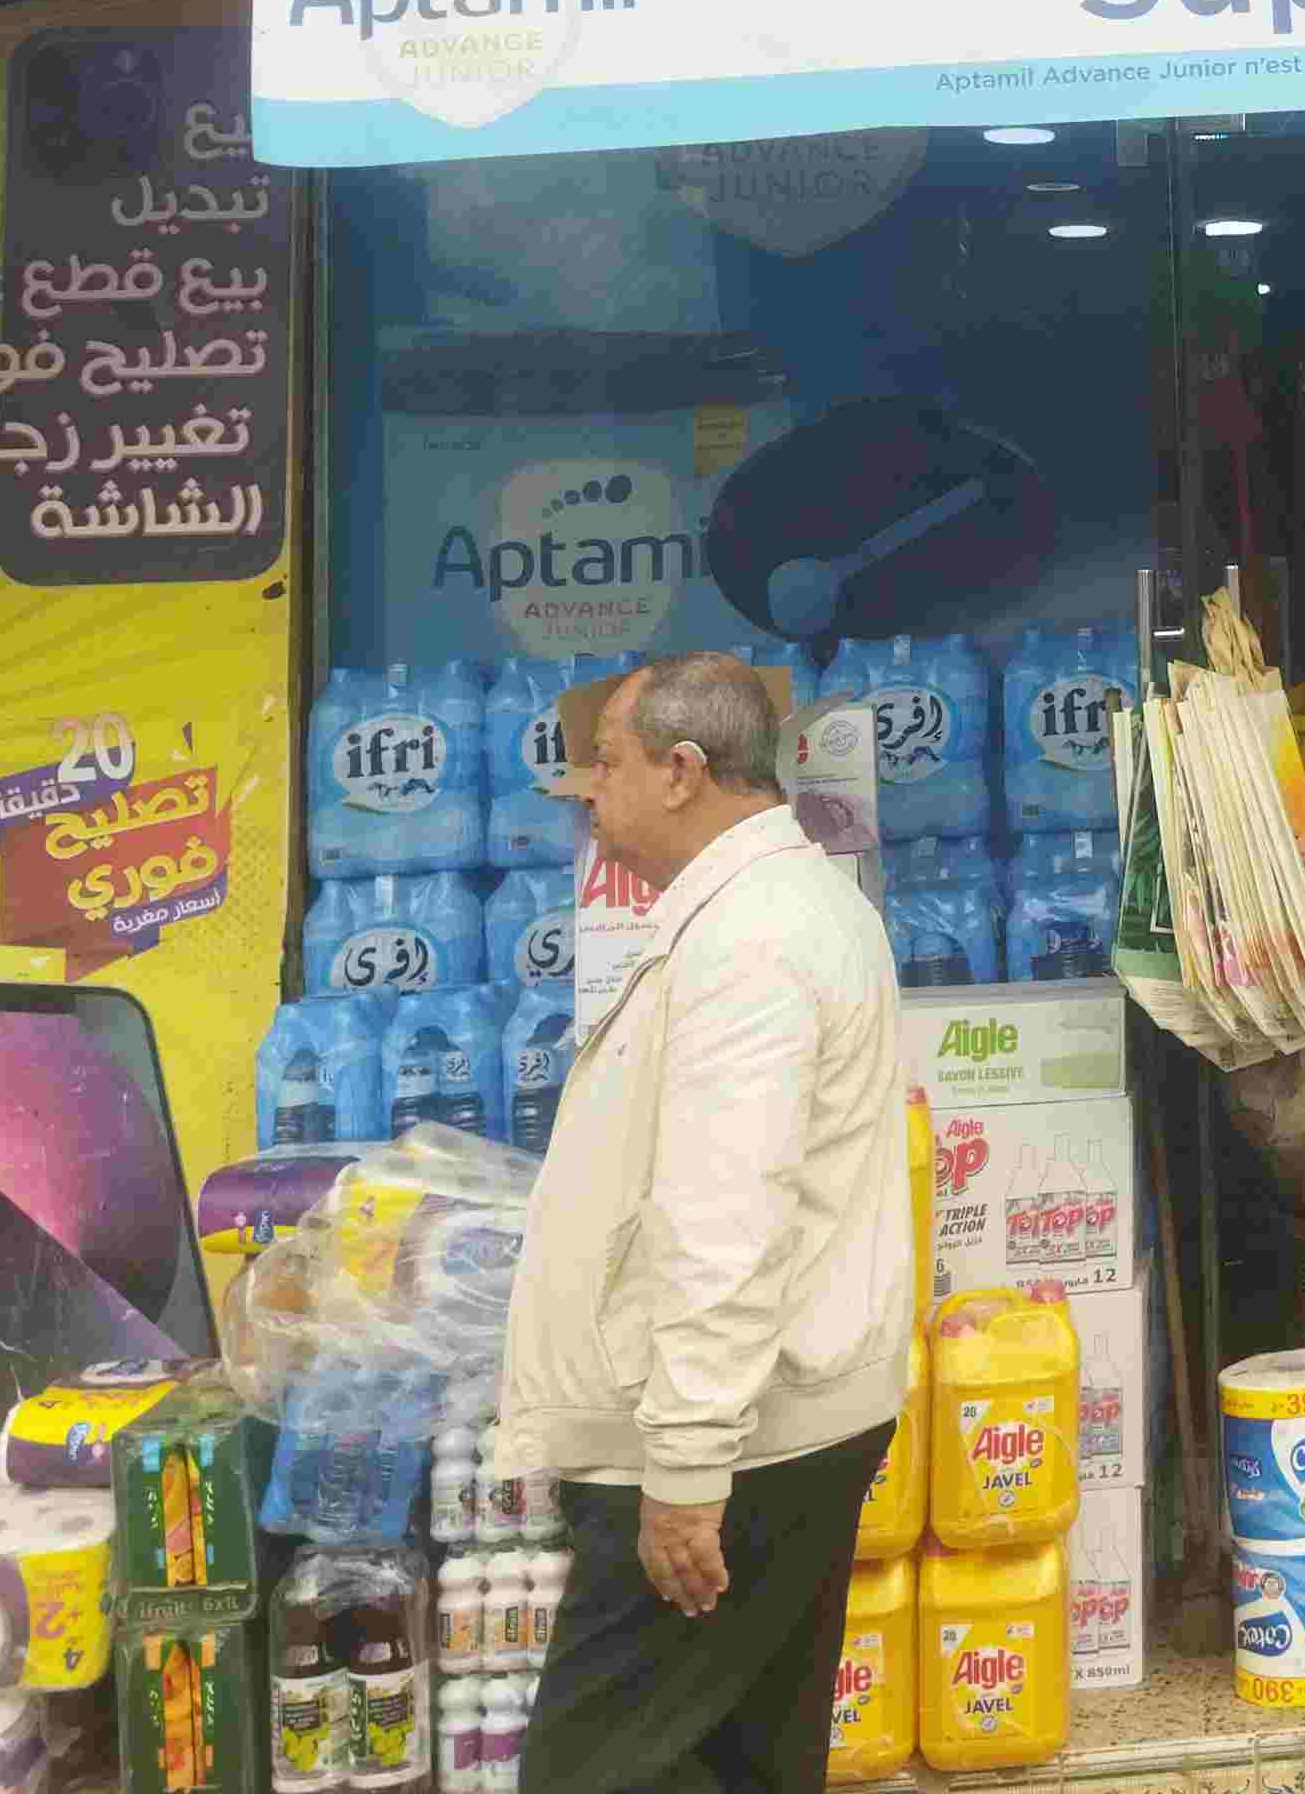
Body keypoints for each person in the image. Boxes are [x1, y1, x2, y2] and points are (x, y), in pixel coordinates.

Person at [498, 651, 914, 1794]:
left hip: (733, 1444)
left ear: (682, 771)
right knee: (744, 1758)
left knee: (591, 1773)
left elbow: (724, 1217)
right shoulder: (774, 908)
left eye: (607, 764)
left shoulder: (751, 940)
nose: (588, 791)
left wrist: (684, 1469)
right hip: (767, 1427)